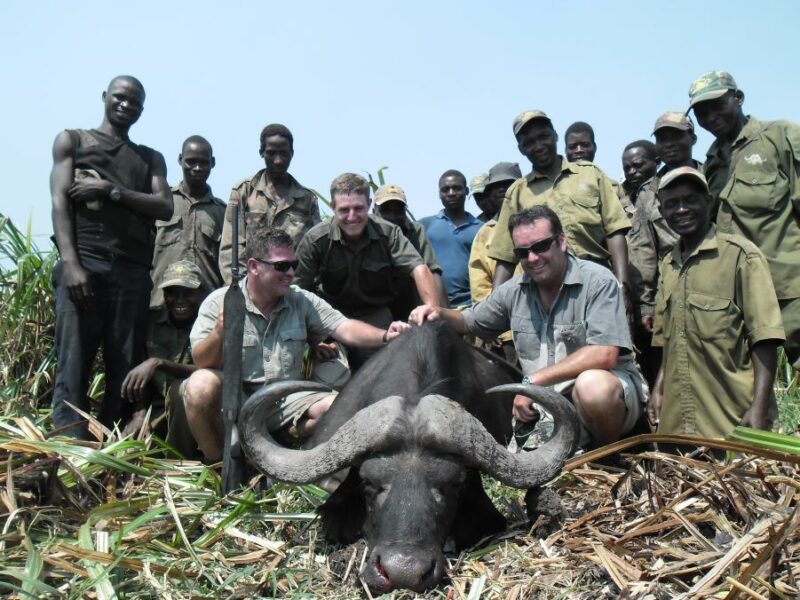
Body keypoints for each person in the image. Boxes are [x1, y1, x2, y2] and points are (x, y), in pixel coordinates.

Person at [412, 206, 648, 448]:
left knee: (593, 387)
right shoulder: (515, 290)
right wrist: (436, 312)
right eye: (523, 252)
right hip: (546, 402)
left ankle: (607, 454)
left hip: (604, 397)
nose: (533, 258)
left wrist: (532, 382)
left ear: (562, 242)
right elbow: (469, 321)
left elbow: (604, 353)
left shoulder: (598, 280)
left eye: (541, 246)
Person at [185, 228, 409, 461]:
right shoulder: (219, 302)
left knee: (338, 407)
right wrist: (221, 331)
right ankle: (219, 467)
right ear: (254, 267)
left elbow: (345, 328)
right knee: (200, 385)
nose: (291, 273)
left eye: (294, 265)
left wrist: (386, 335)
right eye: (281, 266)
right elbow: (202, 361)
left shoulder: (300, 299)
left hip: (284, 401)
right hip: (236, 402)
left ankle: (286, 442)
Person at [50, 75, 172, 438]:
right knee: (73, 360)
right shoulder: (72, 140)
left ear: (141, 110)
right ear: (105, 97)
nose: (126, 105)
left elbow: (164, 206)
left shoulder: (149, 158)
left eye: (134, 102)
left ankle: (113, 446)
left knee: (125, 363)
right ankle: (70, 444)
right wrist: (71, 263)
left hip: (132, 270)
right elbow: (59, 203)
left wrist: (111, 190)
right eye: (120, 97)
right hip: (85, 260)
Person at [648, 167, 784, 438]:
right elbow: (668, 341)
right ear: (662, 212)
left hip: (732, 421)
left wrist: (758, 409)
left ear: (709, 203)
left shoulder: (741, 256)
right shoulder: (668, 265)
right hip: (678, 426)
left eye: (690, 200)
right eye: (672, 204)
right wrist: (658, 389)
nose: (682, 210)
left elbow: (764, 338)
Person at [688, 70, 800, 369]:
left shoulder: (780, 137)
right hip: (737, 296)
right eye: (701, 111)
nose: (710, 116)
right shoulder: (711, 163)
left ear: (738, 98)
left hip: (788, 287)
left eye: (716, 104)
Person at [489, 110, 632, 318]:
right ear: (521, 149)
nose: (538, 146)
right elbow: (505, 256)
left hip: (598, 285)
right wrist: (493, 310)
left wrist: (621, 286)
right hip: (546, 295)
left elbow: (615, 231)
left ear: (555, 136)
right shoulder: (518, 192)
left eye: (543, 137)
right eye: (529, 142)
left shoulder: (591, 175)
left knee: (608, 349)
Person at [294, 173, 439, 369]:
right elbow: (297, 291)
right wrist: (312, 338)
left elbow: (419, 268)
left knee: (388, 376)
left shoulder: (388, 233)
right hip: (331, 321)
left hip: (375, 317)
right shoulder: (316, 240)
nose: (352, 217)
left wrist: (431, 306)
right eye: (344, 210)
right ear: (332, 207)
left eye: (358, 208)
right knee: (331, 378)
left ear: (370, 204)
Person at [122, 260, 205, 457]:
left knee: (180, 391)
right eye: (172, 292)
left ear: (200, 293)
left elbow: (211, 370)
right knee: (128, 452)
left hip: (196, 409)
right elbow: (139, 375)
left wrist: (158, 363)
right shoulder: (151, 322)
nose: (179, 300)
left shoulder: (209, 322)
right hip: (157, 408)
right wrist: (139, 413)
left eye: (187, 292)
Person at [219, 123, 320, 283]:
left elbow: (313, 251)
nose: (278, 160)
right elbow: (231, 247)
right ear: (261, 153)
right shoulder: (243, 192)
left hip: (292, 289)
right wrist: (241, 290)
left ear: (292, 153)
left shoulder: (307, 200)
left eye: (284, 153)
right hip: (251, 287)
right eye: (271, 153)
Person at [620, 140, 677, 386]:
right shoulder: (623, 196)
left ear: (657, 162)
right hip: (641, 293)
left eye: (638, 165)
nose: (632, 172)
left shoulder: (665, 191)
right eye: (627, 168)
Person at [150, 136, 225, 308]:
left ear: (212, 163)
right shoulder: (162, 202)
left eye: (203, 162)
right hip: (160, 304)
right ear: (180, 160)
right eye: (191, 161)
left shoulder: (223, 212)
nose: (197, 168)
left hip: (205, 309)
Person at [468, 162, 523, 365]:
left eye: (508, 184)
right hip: (506, 332)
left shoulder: (542, 223)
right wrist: (493, 325)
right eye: (495, 187)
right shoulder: (485, 233)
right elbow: (480, 285)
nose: (502, 190)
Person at [373, 183, 448, 317]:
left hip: (410, 301)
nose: (392, 216)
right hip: (378, 303)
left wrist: (443, 314)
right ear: (375, 211)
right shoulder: (366, 232)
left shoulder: (415, 231)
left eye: (398, 210)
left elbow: (433, 270)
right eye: (386, 210)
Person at [420, 170, 483, 308]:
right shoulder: (424, 226)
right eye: (445, 189)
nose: (451, 193)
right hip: (435, 306)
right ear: (439, 194)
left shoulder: (482, 229)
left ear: (466, 191)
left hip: (472, 305)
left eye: (456, 188)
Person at [652, 111, 703, 178]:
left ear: (693, 139)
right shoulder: (649, 188)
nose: (669, 144)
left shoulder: (712, 174)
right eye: (662, 138)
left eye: (676, 136)